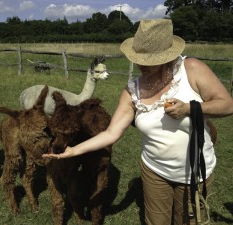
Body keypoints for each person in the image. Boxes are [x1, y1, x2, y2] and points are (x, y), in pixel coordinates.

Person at [42, 19, 233, 225]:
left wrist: (190, 108)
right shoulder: (132, 90)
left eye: (150, 60)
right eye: (138, 58)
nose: (142, 65)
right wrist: (74, 150)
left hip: (194, 172)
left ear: (167, 55)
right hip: (155, 172)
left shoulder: (191, 70)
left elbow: (227, 105)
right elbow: (111, 133)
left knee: (188, 222)